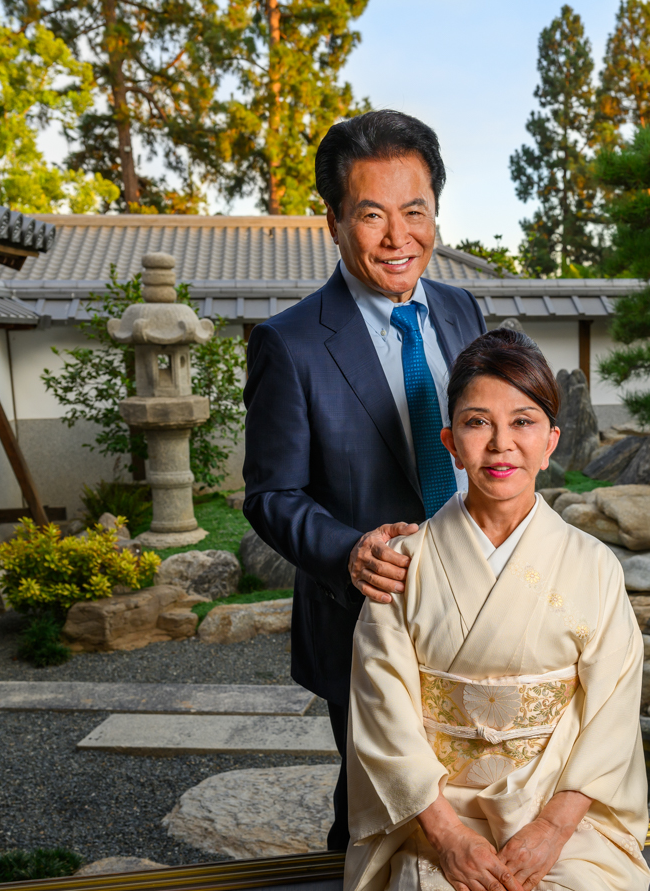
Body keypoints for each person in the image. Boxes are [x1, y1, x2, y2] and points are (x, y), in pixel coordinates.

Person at [342, 329, 650, 891]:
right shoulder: (404, 563)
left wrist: (552, 829)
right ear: (449, 440)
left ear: (552, 441)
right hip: (437, 809)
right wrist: (447, 838)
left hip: (558, 809)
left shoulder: (593, 566)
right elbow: (381, 710)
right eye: (478, 423)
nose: (500, 445)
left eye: (523, 423)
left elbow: (610, 711)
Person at [241, 110, 486, 849]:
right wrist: (350, 551)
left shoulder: (461, 308)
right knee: (378, 809)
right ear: (335, 222)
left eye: (415, 212)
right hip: (366, 616)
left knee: (471, 792)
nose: (397, 237)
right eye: (372, 215)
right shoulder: (289, 343)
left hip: (478, 599)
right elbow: (270, 495)